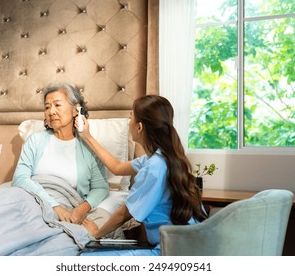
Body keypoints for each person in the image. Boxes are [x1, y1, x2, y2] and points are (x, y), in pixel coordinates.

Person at [78, 95, 208, 256]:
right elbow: (117, 167)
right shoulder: (159, 158)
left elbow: (123, 214)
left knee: (84, 259)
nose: (128, 121)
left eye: (130, 116)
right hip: (188, 245)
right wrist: (88, 136)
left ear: (139, 127)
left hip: (171, 252)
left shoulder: (154, 168)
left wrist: (95, 234)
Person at [12, 83, 109, 225]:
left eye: (57, 105)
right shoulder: (35, 140)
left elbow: (100, 188)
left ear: (76, 110)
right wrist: (54, 205)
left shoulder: (89, 149)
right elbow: (20, 178)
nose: (51, 112)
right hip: (31, 201)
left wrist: (80, 211)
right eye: (47, 107)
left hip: (67, 203)